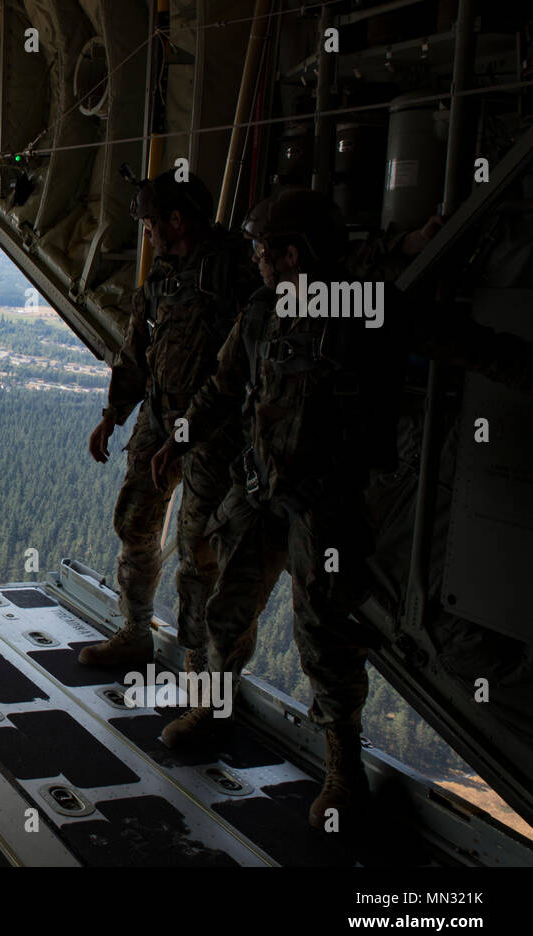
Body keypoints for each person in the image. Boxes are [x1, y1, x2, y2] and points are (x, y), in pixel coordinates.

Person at [150, 189, 533, 828]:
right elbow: (222, 389)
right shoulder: (262, 314)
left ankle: (342, 769)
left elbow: (468, 344)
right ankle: (213, 709)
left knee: (323, 641)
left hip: (327, 506)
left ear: (292, 253)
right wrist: (178, 436)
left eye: (264, 251)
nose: (259, 262)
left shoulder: (366, 311)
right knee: (225, 610)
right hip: (262, 490)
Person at [80, 170, 257, 673]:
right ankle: (136, 632)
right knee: (135, 521)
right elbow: (136, 353)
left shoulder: (232, 274)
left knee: (201, 553)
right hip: (161, 419)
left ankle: (201, 665)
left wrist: (185, 434)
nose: (147, 232)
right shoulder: (162, 278)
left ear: (176, 220)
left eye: (151, 222)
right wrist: (112, 416)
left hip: (214, 432)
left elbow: (237, 370)